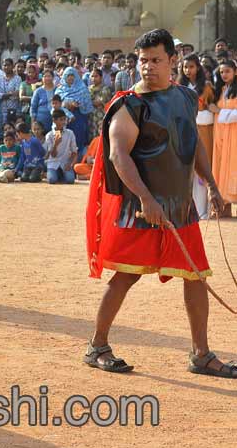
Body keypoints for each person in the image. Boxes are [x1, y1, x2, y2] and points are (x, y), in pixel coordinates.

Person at [85, 29, 231, 377]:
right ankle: (97, 346)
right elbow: (120, 156)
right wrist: (146, 200)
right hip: (141, 211)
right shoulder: (129, 105)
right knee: (124, 278)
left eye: (156, 60)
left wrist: (210, 183)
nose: (147, 67)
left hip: (180, 209)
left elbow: (192, 142)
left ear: (172, 61)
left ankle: (201, 354)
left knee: (196, 277)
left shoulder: (184, 97)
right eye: (142, 60)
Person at [213, 59, 237, 217]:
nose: (224, 75)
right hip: (221, 134)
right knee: (222, 167)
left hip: (234, 134)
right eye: (221, 72)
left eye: (227, 71)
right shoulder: (220, 89)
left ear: (235, 71)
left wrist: (219, 111)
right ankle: (225, 208)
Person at [43, 109, 77, 184]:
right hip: (53, 162)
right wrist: (56, 144)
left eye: (64, 119)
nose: (64, 122)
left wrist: (70, 164)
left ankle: (60, 174)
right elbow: (53, 155)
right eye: (61, 120)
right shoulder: (49, 135)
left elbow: (74, 152)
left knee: (70, 180)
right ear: (54, 121)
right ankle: (55, 174)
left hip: (65, 162)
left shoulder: (70, 133)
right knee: (52, 180)